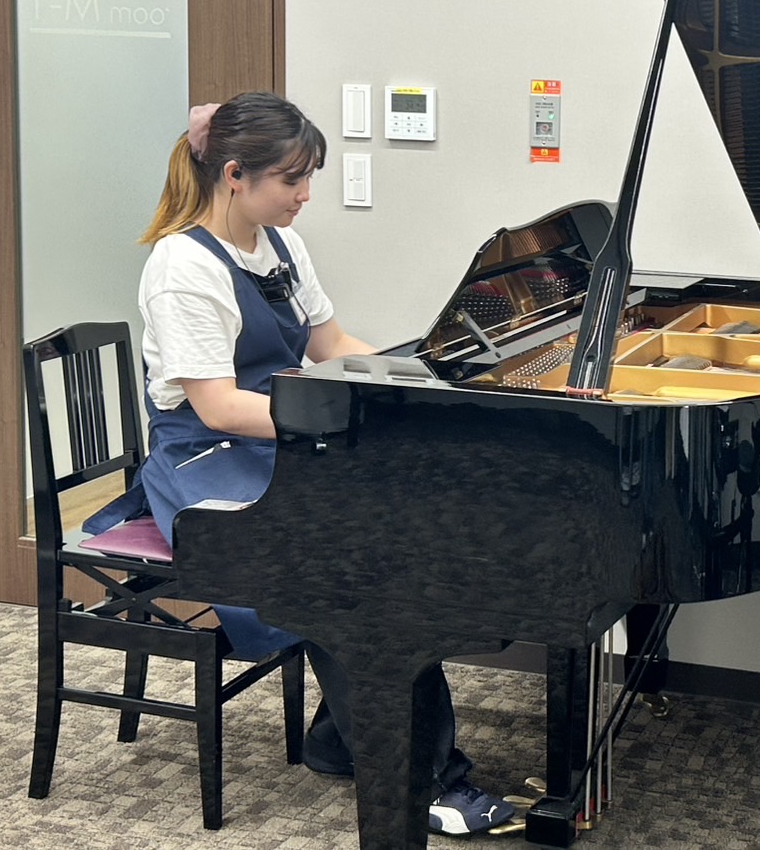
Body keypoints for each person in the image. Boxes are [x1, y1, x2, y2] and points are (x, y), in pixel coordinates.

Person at [86, 92, 513, 836]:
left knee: (408, 522)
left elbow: (331, 345)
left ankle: (347, 735)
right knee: (341, 565)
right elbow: (219, 407)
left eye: (308, 176)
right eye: (292, 179)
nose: (306, 194)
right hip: (206, 459)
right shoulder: (182, 266)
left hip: (278, 438)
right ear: (234, 176)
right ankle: (425, 778)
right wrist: (341, 416)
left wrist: (418, 380)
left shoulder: (279, 244)